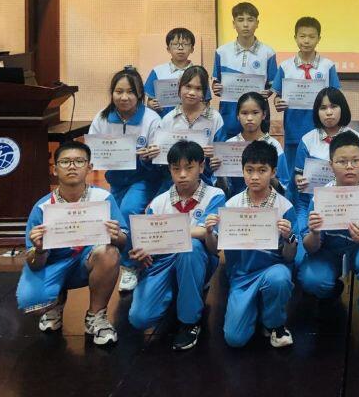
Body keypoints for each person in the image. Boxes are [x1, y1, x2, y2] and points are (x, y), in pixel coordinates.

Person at [16, 141, 127, 346]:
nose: (72, 166)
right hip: (55, 265)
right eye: (65, 162)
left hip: (87, 262)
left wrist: (117, 235)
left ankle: (96, 316)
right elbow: (34, 263)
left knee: (110, 253)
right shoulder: (42, 207)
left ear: (89, 167)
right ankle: (55, 304)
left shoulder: (103, 198)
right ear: (55, 169)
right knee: (32, 302)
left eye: (79, 161)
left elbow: (123, 242)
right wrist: (39, 250)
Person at [128, 141, 226, 351]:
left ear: (201, 167)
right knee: (139, 318)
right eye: (175, 169)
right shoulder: (158, 202)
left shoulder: (215, 195)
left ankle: (190, 322)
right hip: (162, 260)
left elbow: (209, 237)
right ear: (170, 170)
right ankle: (179, 292)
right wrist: (140, 252)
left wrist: (167, 234)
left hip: (197, 257)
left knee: (191, 248)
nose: (182, 174)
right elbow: (147, 242)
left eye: (189, 168)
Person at [298, 131, 359, 341]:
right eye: (342, 161)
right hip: (330, 251)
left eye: (355, 161)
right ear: (331, 165)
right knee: (311, 278)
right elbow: (309, 246)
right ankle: (330, 292)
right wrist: (314, 232)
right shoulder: (321, 195)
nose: (349, 166)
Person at [205, 140, 298, 348]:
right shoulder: (231, 205)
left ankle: (274, 323)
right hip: (242, 276)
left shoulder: (285, 207)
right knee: (235, 339)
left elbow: (290, 256)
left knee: (280, 278)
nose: (255, 176)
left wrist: (288, 237)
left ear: (273, 172)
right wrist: (209, 233)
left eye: (262, 170)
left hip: (272, 271)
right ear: (242, 171)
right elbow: (214, 249)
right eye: (249, 170)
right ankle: (255, 304)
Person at [87, 67, 162, 292]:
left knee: (129, 210)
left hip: (144, 178)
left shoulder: (151, 119)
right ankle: (128, 257)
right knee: (117, 218)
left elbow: (159, 155)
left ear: (139, 94)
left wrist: (150, 155)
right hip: (116, 179)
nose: (124, 97)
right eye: (119, 91)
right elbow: (92, 151)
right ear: (112, 93)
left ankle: (130, 267)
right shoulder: (102, 118)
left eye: (130, 92)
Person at [290, 87, 359, 232]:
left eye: (333, 106)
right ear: (316, 112)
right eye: (323, 108)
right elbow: (298, 174)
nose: (328, 112)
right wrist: (299, 180)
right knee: (304, 237)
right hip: (311, 204)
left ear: (342, 108)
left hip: (349, 204)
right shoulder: (307, 140)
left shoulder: (356, 138)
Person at [274, 16, 340, 178]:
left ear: (319, 39)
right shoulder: (285, 66)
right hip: (293, 129)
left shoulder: (328, 66)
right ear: (295, 37)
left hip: (321, 130)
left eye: (311, 36)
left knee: (319, 174)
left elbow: (336, 97)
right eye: (302, 36)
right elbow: (277, 96)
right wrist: (278, 102)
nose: (306, 41)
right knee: (293, 174)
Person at [212, 2, 277, 140]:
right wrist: (216, 88)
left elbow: (272, 85)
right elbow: (216, 83)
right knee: (229, 150)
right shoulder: (221, 52)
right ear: (233, 23)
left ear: (257, 23)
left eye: (250, 20)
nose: (246, 25)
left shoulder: (268, 52)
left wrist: (268, 92)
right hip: (229, 113)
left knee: (258, 150)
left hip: (257, 115)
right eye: (240, 20)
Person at [211, 91, 288, 197]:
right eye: (244, 113)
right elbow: (224, 190)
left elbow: (283, 188)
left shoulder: (274, 145)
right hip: (235, 203)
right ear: (237, 116)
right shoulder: (229, 145)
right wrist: (219, 172)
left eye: (255, 113)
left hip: (267, 204)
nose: (249, 118)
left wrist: (267, 172)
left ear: (264, 114)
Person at [159, 66, 222, 185]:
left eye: (198, 88)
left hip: (206, 180)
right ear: (179, 86)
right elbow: (161, 161)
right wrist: (154, 153)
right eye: (188, 86)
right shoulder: (168, 119)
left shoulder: (215, 118)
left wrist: (216, 154)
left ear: (204, 92)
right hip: (173, 181)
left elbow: (222, 157)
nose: (192, 93)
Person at [144, 27, 198, 118]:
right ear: (168, 49)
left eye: (185, 44)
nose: (180, 48)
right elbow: (149, 101)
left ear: (192, 49)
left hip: (192, 121)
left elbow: (206, 101)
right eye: (176, 44)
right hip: (164, 121)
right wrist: (151, 104)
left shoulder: (198, 72)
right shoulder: (157, 71)